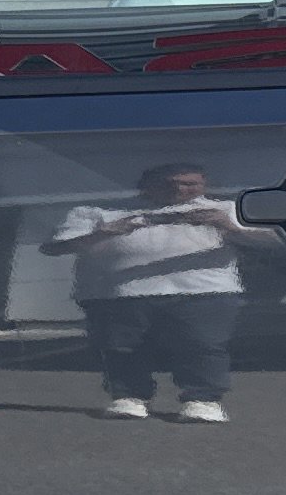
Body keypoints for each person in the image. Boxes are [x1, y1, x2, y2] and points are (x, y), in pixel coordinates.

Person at [49, 162, 254, 422]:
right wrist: (103, 233)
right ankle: (128, 397)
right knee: (120, 346)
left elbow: (276, 239)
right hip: (118, 292)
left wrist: (229, 226)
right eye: (169, 184)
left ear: (204, 185)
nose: (179, 190)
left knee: (203, 346)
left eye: (189, 184)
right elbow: (54, 248)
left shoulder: (226, 209)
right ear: (145, 186)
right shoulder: (97, 210)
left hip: (205, 290)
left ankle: (203, 401)